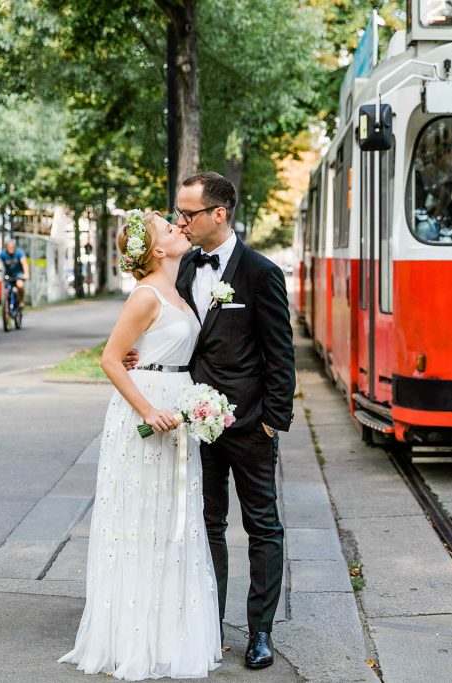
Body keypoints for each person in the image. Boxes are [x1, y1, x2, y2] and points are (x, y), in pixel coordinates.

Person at [127, 172, 296, 669]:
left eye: (188, 213)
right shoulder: (180, 270)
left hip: (249, 426)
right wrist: (142, 355)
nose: (181, 221)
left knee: (263, 526)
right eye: (177, 214)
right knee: (206, 525)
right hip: (190, 426)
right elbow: (170, 332)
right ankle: (210, 624)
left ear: (218, 215)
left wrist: (271, 422)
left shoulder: (262, 274)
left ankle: (261, 632)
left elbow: (280, 356)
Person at [59, 211, 222, 680]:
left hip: (179, 408)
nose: (179, 228)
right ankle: (134, 640)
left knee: (175, 519)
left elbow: (151, 349)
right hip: (145, 415)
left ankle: (170, 636)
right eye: (169, 229)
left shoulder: (179, 286)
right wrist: (148, 410)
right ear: (157, 250)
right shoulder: (146, 295)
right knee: (141, 522)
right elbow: (111, 360)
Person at [0, 238, 29, 307]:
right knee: (6, 292)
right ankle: (6, 311)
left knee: (20, 285)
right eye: (9, 247)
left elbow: (24, 263)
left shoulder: (19, 252)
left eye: (12, 247)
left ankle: (22, 300)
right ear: (6, 247)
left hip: (18, 274)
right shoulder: (3, 253)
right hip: (8, 275)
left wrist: (26, 273)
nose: (11, 249)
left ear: (14, 247)